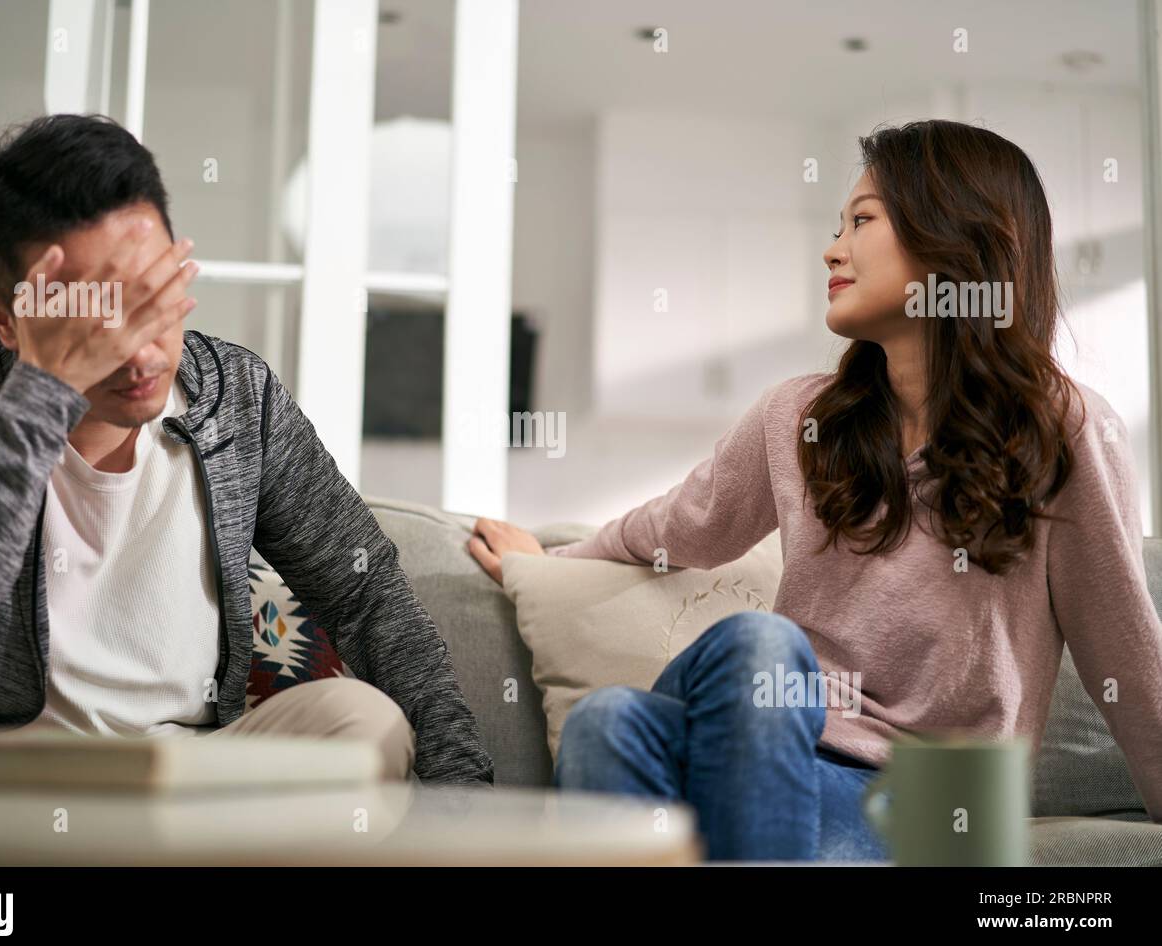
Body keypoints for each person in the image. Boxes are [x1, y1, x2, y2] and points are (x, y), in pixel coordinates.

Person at [468, 119, 1162, 859]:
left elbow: (1125, 651)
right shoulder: (799, 418)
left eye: (862, 221)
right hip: (767, 758)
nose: (832, 249)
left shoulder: (1066, 430)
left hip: (932, 805)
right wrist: (544, 561)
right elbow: (679, 526)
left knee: (742, 657)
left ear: (954, 238)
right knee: (610, 718)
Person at [0, 113, 492, 786]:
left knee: (361, 720)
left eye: (148, 295)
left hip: (190, 777)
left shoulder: (236, 396)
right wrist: (43, 393)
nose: (138, 349)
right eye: (86, 312)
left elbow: (367, 596)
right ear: (3, 319)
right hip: (2, 777)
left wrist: (464, 797)